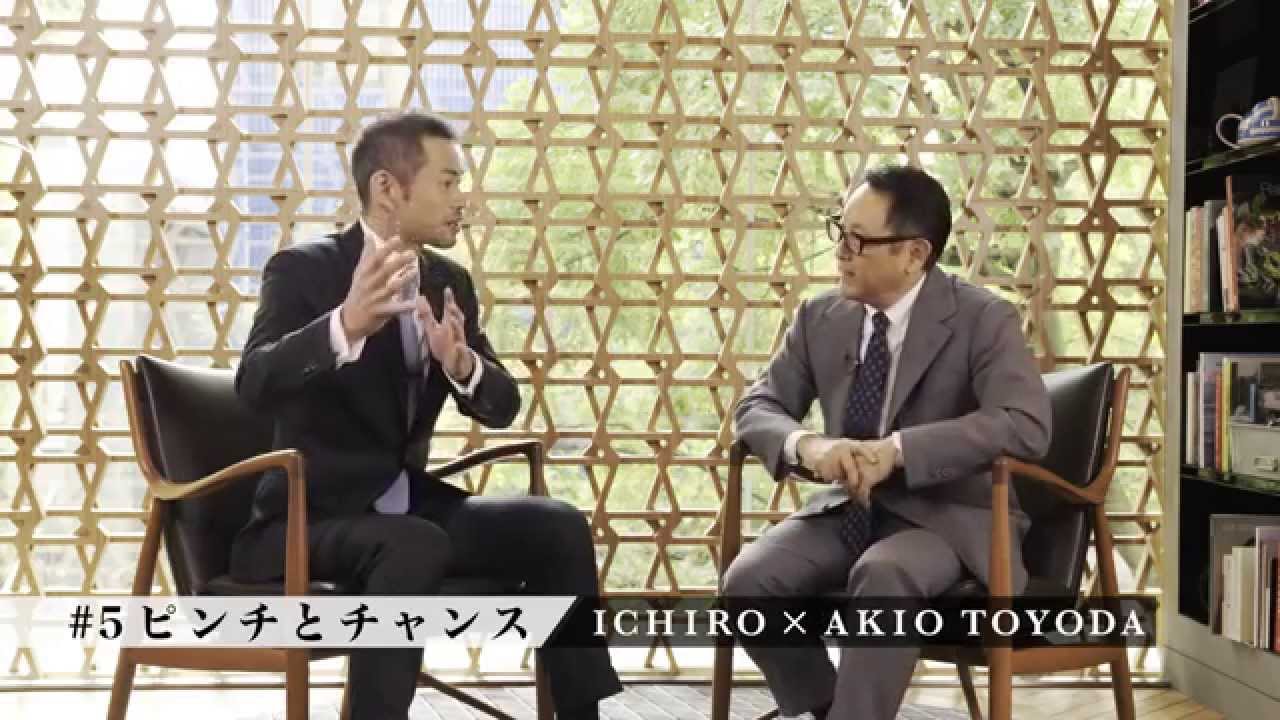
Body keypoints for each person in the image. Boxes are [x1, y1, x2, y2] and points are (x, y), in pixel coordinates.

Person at [228, 111, 622, 719]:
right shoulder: (304, 270)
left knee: (557, 525)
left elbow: (503, 405)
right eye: (448, 181)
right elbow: (254, 382)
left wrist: (463, 366)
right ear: (388, 187)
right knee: (412, 544)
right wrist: (343, 326)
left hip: (409, 510)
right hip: (305, 523)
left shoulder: (448, 283)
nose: (463, 199)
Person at [723, 165, 1052, 720]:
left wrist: (898, 450)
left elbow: (1024, 423)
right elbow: (757, 406)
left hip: (947, 519)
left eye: (858, 239)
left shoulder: (983, 318)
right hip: (849, 509)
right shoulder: (820, 317)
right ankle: (832, 711)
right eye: (839, 231)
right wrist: (809, 446)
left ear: (914, 254)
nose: (841, 252)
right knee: (750, 581)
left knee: (883, 574)